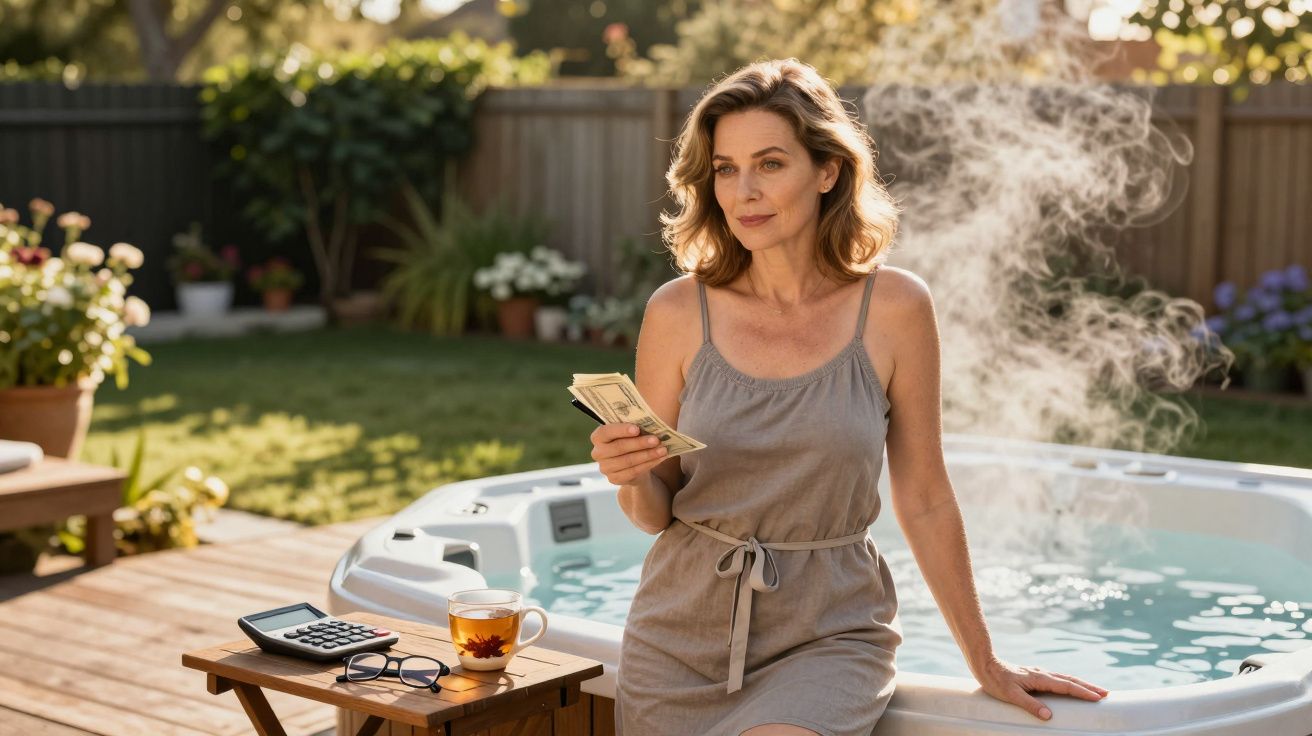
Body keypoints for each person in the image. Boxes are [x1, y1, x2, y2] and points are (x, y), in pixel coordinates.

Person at [589, 58, 1109, 736]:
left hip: (829, 635)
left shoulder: (894, 309)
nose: (744, 190)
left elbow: (923, 495)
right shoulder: (678, 313)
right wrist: (629, 477)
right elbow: (656, 511)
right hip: (678, 637)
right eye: (725, 168)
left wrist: (983, 658)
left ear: (827, 170)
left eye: (770, 164)